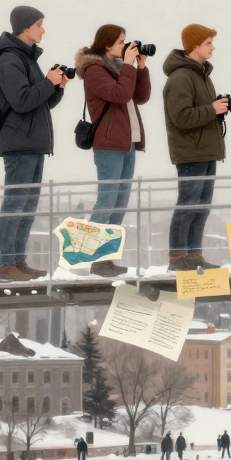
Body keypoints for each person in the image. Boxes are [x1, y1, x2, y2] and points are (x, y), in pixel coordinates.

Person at [0, 6, 66, 282]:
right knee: (15, 203)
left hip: (32, 143)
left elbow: (40, 103)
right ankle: (4, 263)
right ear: (25, 27)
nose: (43, 29)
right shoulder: (9, 59)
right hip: (18, 143)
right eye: (39, 24)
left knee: (27, 205)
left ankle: (17, 260)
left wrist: (55, 87)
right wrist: (47, 81)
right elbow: (21, 101)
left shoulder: (26, 58)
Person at [75, 24, 152, 277]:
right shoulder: (94, 71)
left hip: (127, 142)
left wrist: (140, 66)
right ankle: (93, 258)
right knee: (106, 201)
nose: (125, 46)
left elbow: (140, 96)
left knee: (119, 203)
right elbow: (119, 94)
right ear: (107, 45)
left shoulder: (120, 68)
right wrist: (129, 66)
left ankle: (106, 258)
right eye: (121, 42)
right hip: (108, 144)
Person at [162, 24, 226, 271]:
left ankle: (194, 255)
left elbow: (199, 112)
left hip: (206, 149)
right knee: (188, 205)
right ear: (194, 45)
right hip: (191, 151)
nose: (212, 47)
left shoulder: (201, 75)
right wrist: (212, 109)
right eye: (208, 42)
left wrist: (219, 108)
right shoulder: (181, 77)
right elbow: (180, 116)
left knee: (201, 207)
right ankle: (178, 257)